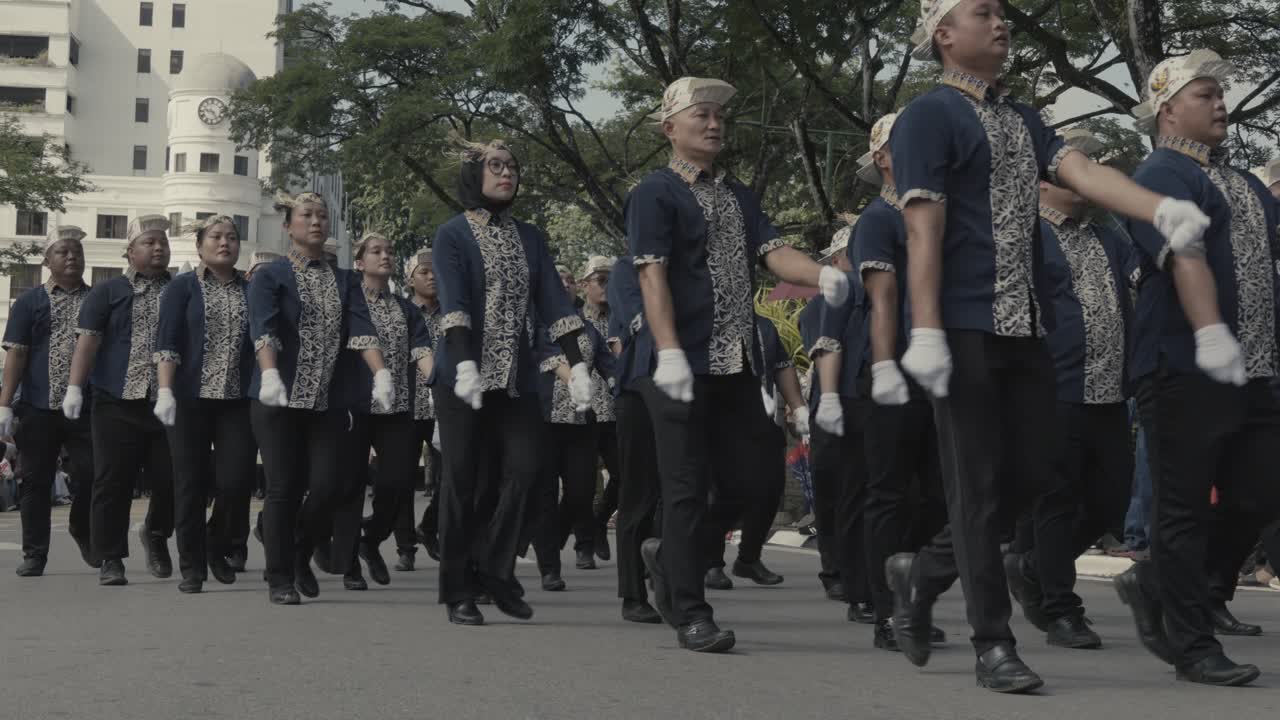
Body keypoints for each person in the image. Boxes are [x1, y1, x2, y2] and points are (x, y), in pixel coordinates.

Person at [886, 0, 1210, 693]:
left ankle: (923, 576)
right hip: (964, 327)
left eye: (1003, 14)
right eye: (983, 13)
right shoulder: (927, 116)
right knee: (975, 487)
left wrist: (1155, 208)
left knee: (1034, 476)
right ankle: (992, 644)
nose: (1001, 23)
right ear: (945, 35)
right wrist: (927, 329)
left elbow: (1083, 174)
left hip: (1026, 324)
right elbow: (922, 229)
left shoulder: (1021, 117)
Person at [628, 76, 850, 653]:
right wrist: (669, 348)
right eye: (701, 114)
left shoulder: (740, 196)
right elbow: (651, 273)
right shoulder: (654, 192)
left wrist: (823, 274)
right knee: (683, 488)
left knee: (752, 482)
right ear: (669, 127)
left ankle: (669, 556)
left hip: (736, 364)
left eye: (720, 116)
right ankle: (690, 610)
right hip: (679, 363)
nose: (714, 123)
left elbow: (772, 253)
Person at [1114, 50, 1280, 687]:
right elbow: (1179, 256)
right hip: (1183, 368)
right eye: (1205, 94)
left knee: (1263, 489)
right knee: (1180, 509)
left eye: (1221, 93)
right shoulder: (1158, 172)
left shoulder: (1242, 182)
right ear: (1167, 109)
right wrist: (1212, 335)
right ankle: (1192, 645)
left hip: (1255, 370)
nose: (1221, 103)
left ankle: (1168, 581)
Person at [431, 133, 593, 626]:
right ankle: (460, 589)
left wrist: (578, 361)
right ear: (474, 177)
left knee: (527, 470)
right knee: (464, 483)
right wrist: (462, 364)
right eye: (497, 166)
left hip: (516, 378)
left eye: (513, 167)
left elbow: (554, 303)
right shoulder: (453, 233)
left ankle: (496, 570)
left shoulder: (531, 236)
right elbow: (454, 303)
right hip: (463, 377)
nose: (507, 174)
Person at [1000, 130, 1137, 648]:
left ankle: (1034, 563)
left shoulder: (1109, 236)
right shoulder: (1028, 235)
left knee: (1110, 503)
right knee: (1055, 502)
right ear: (1042, 180)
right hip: (1052, 389)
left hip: (1109, 391)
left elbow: (1144, 278)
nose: (1087, 172)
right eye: (1075, 164)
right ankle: (1061, 608)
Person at [247, 191, 392, 606]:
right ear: (288, 226)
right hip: (277, 397)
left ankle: (297, 551)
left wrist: (380, 372)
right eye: (306, 215)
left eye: (322, 215)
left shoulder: (345, 279)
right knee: (283, 488)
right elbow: (264, 327)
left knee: (329, 485)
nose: (315, 221)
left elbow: (362, 328)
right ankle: (279, 576)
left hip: (327, 400)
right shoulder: (270, 275)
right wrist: (270, 372)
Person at [849, 115, 948, 651]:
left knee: (936, 496)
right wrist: (886, 368)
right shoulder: (878, 220)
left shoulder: (939, 214)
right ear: (882, 159)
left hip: (945, 370)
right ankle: (886, 608)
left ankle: (916, 599)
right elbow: (883, 300)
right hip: (895, 372)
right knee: (889, 494)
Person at [66, 215, 177, 586]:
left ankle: (157, 533)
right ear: (130, 252)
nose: (158, 248)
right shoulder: (107, 291)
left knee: (171, 478)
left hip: (167, 403)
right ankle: (110, 557)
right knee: (112, 481)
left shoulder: (182, 289)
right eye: (149, 242)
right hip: (115, 402)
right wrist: (74, 388)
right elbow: (88, 341)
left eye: (162, 242)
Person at [152, 215, 257, 594]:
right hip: (189, 399)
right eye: (216, 237)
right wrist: (165, 390)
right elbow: (167, 340)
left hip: (237, 400)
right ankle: (192, 566)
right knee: (190, 483)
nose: (225, 243)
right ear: (199, 246)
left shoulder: (251, 288)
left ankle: (217, 544)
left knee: (237, 480)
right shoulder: (181, 288)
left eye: (231, 237)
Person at [329, 232, 433, 590]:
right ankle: (348, 566)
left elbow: (422, 350)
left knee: (398, 482)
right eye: (376, 251)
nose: (384, 256)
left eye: (389, 251)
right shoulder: (346, 304)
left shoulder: (406, 309)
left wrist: (440, 380)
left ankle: (369, 540)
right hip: (353, 407)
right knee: (350, 486)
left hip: (396, 407)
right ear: (359, 262)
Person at [0, 226, 95, 576]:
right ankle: (35, 554)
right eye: (63, 252)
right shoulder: (29, 301)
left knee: (93, 473)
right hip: (38, 407)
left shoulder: (97, 299)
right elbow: (17, 355)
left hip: (87, 407)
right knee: (35, 481)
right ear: (47, 260)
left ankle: (81, 527)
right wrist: (5, 404)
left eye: (77, 252)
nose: (72, 257)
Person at [705, 313, 810, 589]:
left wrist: (798, 407)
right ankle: (711, 562)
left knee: (770, 486)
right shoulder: (703, 318)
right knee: (722, 491)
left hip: (758, 419)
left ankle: (749, 558)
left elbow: (783, 366)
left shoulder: (763, 326)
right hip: (715, 420)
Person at [808, 225, 876, 623]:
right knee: (841, 495)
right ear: (836, 260)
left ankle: (867, 579)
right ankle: (844, 577)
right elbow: (822, 347)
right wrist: (828, 399)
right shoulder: (830, 297)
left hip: (881, 398)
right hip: (840, 404)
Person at [528, 278, 614, 588]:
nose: (562, 285)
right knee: (545, 498)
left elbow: (608, 365)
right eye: (556, 281)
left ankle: (552, 538)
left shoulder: (587, 327)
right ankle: (550, 568)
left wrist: (624, 385)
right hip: (543, 422)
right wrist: (574, 379)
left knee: (581, 493)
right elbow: (545, 358)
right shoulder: (536, 323)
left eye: (567, 281)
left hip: (581, 422)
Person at [607, 255, 663, 623]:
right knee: (639, 495)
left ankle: (667, 564)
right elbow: (640, 322)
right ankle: (633, 592)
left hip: (694, 390)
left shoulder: (697, 266)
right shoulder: (629, 269)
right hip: (640, 392)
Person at [223, 250, 282, 574]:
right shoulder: (235, 306)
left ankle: (271, 533)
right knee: (238, 477)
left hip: (275, 398)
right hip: (237, 401)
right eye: (259, 274)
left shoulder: (283, 309)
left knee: (281, 478)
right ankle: (234, 544)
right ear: (248, 277)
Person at [392, 249, 445, 571]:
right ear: (410, 278)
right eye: (424, 271)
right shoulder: (400, 312)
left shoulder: (454, 312)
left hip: (444, 408)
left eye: (436, 270)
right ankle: (405, 546)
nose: (432, 276)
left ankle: (429, 525)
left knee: (454, 473)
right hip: (406, 406)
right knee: (402, 479)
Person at [580, 255, 621, 563]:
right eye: (601, 280)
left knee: (624, 475)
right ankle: (583, 546)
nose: (607, 287)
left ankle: (598, 522)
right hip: (581, 410)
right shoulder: (572, 319)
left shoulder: (623, 316)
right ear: (585, 285)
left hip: (617, 411)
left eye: (612, 280)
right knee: (581, 481)